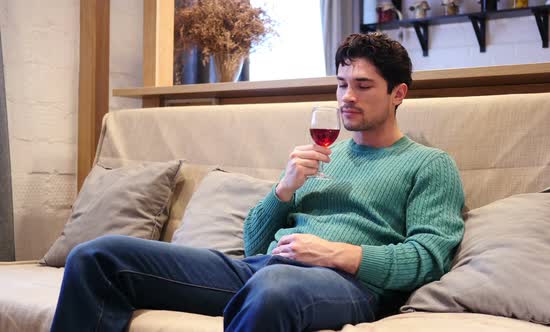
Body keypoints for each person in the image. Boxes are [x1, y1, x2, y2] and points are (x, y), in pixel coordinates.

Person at [50, 32, 465, 332]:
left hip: (350, 287)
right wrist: (283, 189)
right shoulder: (323, 154)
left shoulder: (429, 164)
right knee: (98, 256)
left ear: (398, 94)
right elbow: (253, 245)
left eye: (362, 86)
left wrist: (338, 253)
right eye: (341, 84)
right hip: (263, 269)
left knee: (274, 285)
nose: (346, 97)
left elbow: (428, 258)